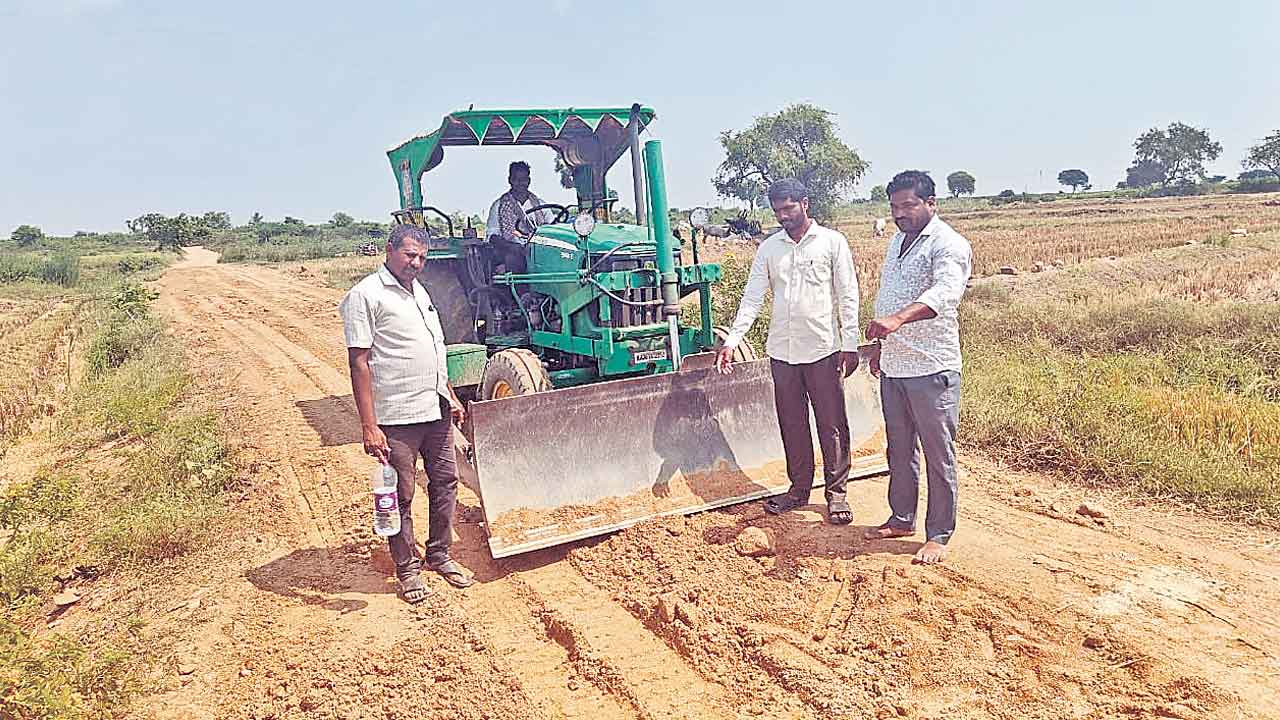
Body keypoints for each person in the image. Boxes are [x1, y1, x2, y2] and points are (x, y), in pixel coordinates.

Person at [340, 224, 475, 602]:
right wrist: (369, 426)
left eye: (422, 257)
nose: (416, 263)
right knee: (400, 494)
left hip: (434, 408)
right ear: (390, 250)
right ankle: (408, 571)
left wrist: (449, 395)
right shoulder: (365, 295)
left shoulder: (420, 291)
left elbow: (433, 349)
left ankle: (439, 554)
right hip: (396, 415)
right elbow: (359, 363)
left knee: (445, 482)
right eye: (410, 255)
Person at [716, 179, 861, 525]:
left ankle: (836, 493)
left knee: (832, 424)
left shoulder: (831, 243)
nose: (783, 216)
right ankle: (798, 490)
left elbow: (848, 294)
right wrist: (733, 339)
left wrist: (850, 344)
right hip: (782, 352)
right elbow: (753, 297)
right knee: (792, 423)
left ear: (805, 203)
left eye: (788, 208)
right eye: (777, 210)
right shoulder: (770, 249)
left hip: (823, 348)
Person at [862, 170, 973, 565]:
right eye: (894, 207)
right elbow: (888, 296)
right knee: (899, 449)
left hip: (931, 367)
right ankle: (901, 518)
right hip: (895, 365)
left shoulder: (948, 244)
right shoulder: (897, 241)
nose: (900, 213)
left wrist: (897, 320)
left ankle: (939, 533)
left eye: (908, 205)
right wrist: (881, 346)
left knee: (937, 453)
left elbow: (944, 293)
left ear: (931, 203)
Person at [486, 161, 553, 275]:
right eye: (517, 179)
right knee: (513, 259)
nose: (521, 183)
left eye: (524, 180)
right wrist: (513, 247)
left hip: (539, 250)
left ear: (529, 181)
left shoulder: (540, 204)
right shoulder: (498, 205)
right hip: (513, 252)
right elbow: (492, 237)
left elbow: (552, 227)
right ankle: (520, 292)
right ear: (510, 180)